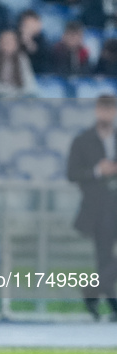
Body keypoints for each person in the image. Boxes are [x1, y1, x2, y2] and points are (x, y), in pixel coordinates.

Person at [67, 95, 117, 322]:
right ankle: (110, 301)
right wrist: (98, 171)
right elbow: (72, 173)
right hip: (98, 208)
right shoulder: (83, 140)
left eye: (111, 109)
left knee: (108, 261)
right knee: (104, 258)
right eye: (103, 109)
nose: (106, 114)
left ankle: (92, 291)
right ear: (97, 111)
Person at [0, 30, 38, 98]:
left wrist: (19, 94)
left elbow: (30, 83)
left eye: (11, 40)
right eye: (5, 40)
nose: (8, 43)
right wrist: (12, 93)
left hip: (20, 96)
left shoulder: (22, 58)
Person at [17, 10, 50, 74]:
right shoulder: (14, 37)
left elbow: (41, 59)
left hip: (38, 73)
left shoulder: (42, 39)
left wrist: (29, 41)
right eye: (28, 24)